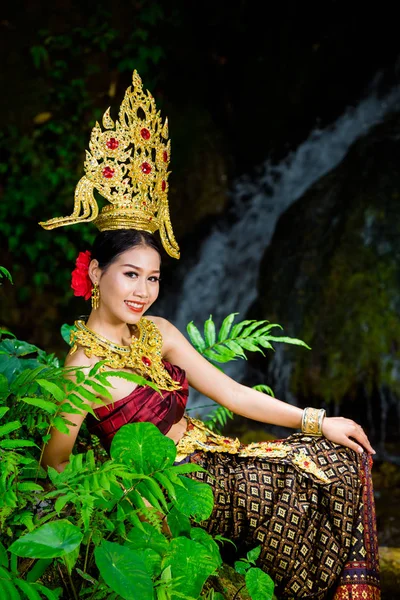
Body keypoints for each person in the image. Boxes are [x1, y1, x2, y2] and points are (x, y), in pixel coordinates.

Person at [40, 71, 380, 599]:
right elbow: (56, 464)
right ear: (94, 273)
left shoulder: (156, 330)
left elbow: (232, 393)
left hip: (216, 459)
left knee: (338, 457)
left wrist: (317, 419)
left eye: (153, 278)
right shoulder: (80, 370)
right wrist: (123, 511)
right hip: (172, 495)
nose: (144, 291)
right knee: (302, 489)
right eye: (130, 274)